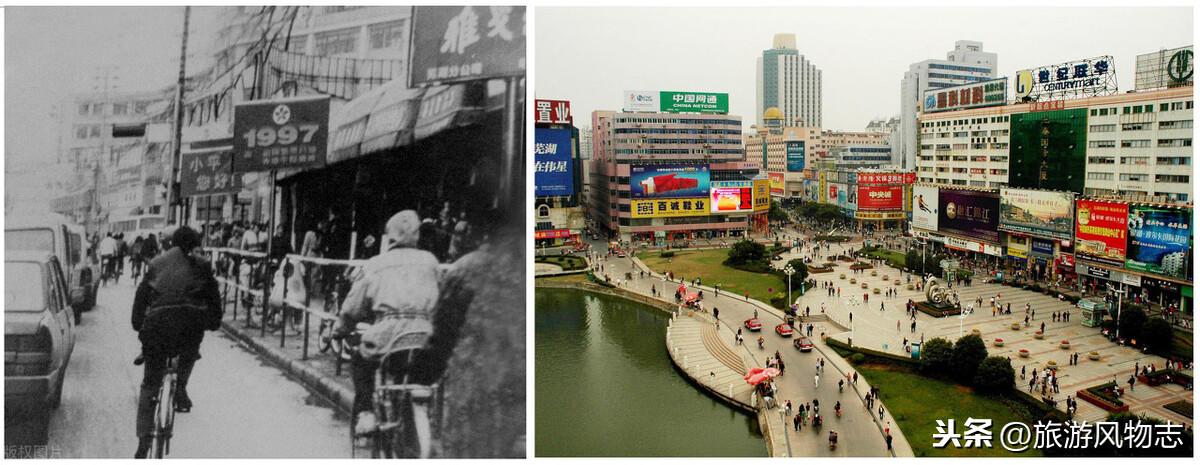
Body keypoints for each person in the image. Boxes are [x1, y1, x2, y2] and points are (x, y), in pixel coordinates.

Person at [333, 211, 442, 437]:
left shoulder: (376, 264)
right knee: (424, 379)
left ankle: (366, 414)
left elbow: (352, 307)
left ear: (390, 237)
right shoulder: (431, 261)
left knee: (360, 361)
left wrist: (338, 331)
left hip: (388, 337)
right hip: (426, 336)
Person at [131, 226, 222, 458]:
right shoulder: (203, 265)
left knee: (150, 383)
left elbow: (141, 299)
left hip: (156, 329)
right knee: (191, 349)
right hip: (189, 328)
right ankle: (181, 387)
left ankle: (142, 442)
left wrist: (138, 324)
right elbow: (214, 299)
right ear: (193, 244)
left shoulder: (155, 263)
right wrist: (213, 322)